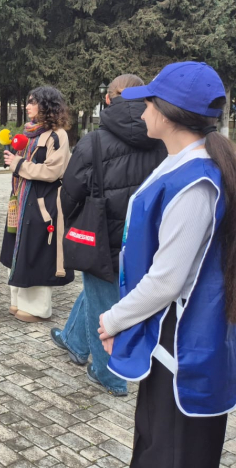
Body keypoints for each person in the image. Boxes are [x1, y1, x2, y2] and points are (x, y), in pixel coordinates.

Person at [96, 62, 236, 467]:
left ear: (169, 114)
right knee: (153, 443)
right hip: (167, 336)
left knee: (171, 454)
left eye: (149, 104)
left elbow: (167, 280)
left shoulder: (196, 183)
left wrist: (113, 319)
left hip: (184, 344)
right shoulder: (180, 163)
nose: (142, 113)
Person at [50, 75, 166, 397]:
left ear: (109, 98)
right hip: (144, 237)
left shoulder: (94, 141)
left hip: (100, 234)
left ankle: (109, 374)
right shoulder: (161, 138)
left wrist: (76, 220)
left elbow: (70, 192)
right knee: (98, 290)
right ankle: (75, 340)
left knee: (104, 300)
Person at [0, 86, 73, 322]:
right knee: (17, 248)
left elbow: (53, 171)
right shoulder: (28, 132)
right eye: (28, 101)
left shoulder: (57, 135)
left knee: (37, 251)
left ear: (47, 106)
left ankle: (38, 309)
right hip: (21, 201)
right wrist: (13, 160)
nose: (28, 106)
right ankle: (18, 301)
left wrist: (18, 164)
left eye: (33, 102)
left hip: (43, 202)